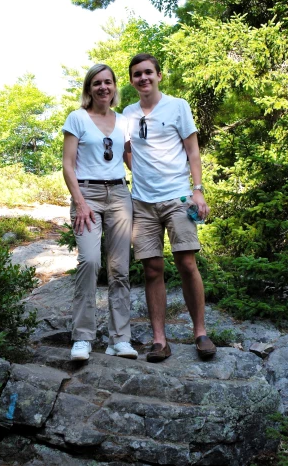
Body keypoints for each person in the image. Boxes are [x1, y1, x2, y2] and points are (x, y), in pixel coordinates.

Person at [123, 53, 216, 362]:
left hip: (178, 199)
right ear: (132, 80)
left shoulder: (178, 106)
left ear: (159, 75)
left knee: (186, 263)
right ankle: (160, 340)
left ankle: (200, 332)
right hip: (143, 203)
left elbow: (193, 151)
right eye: (137, 74)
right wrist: (141, 173)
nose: (143, 78)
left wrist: (198, 190)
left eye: (148, 72)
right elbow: (127, 150)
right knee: (152, 269)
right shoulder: (128, 113)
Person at [62, 64, 137, 361]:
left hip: (119, 194)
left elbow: (132, 161)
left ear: (115, 87)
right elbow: (68, 165)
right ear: (89, 88)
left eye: (108, 82)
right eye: (97, 83)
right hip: (87, 195)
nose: (103, 87)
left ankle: (120, 339)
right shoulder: (77, 118)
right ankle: (82, 337)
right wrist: (79, 202)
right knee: (90, 262)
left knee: (120, 269)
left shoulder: (124, 121)